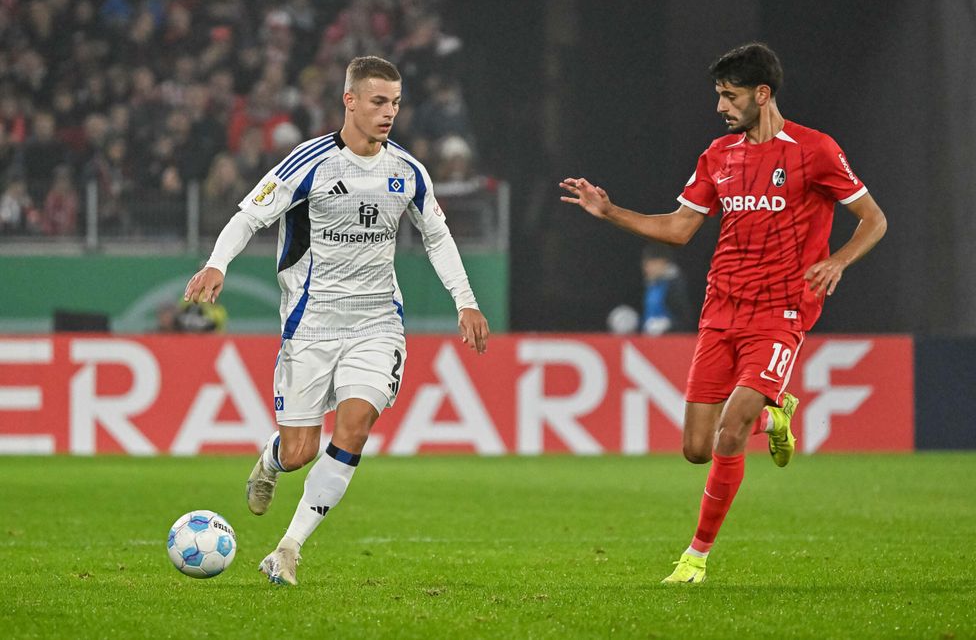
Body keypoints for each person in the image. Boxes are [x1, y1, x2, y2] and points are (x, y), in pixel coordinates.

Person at [559, 42, 887, 584]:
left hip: (780, 310)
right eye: (718, 95)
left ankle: (696, 556)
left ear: (763, 94)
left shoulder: (815, 150)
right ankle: (774, 412)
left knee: (731, 432)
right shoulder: (719, 155)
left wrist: (839, 261)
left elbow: (873, 219)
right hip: (721, 309)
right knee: (695, 449)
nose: (720, 106)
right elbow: (678, 229)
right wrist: (608, 210)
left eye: (729, 95)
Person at [184, 55, 489, 586]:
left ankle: (288, 549)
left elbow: (437, 236)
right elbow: (249, 215)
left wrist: (465, 301)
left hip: (377, 324)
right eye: (377, 101)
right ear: (349, 100)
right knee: (300, 450)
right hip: (311, 325)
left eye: (395, 102)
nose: (388, 112)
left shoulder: (407, 171)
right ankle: (271, 461)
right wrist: (217, 262)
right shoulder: (308, 163)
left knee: (355, 425)